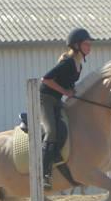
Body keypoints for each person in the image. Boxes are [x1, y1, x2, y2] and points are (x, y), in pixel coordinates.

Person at [39, 27, 94, 189]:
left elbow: (70, 87)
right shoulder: (68, 62)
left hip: (57, 100)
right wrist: (65, 92)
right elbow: (46, 79)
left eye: (90, 44)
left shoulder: (78, 65)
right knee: (51, 131)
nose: (89, 47)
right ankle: (43, 174)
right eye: (86, 44)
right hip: (45, 99)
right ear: (76, 46)